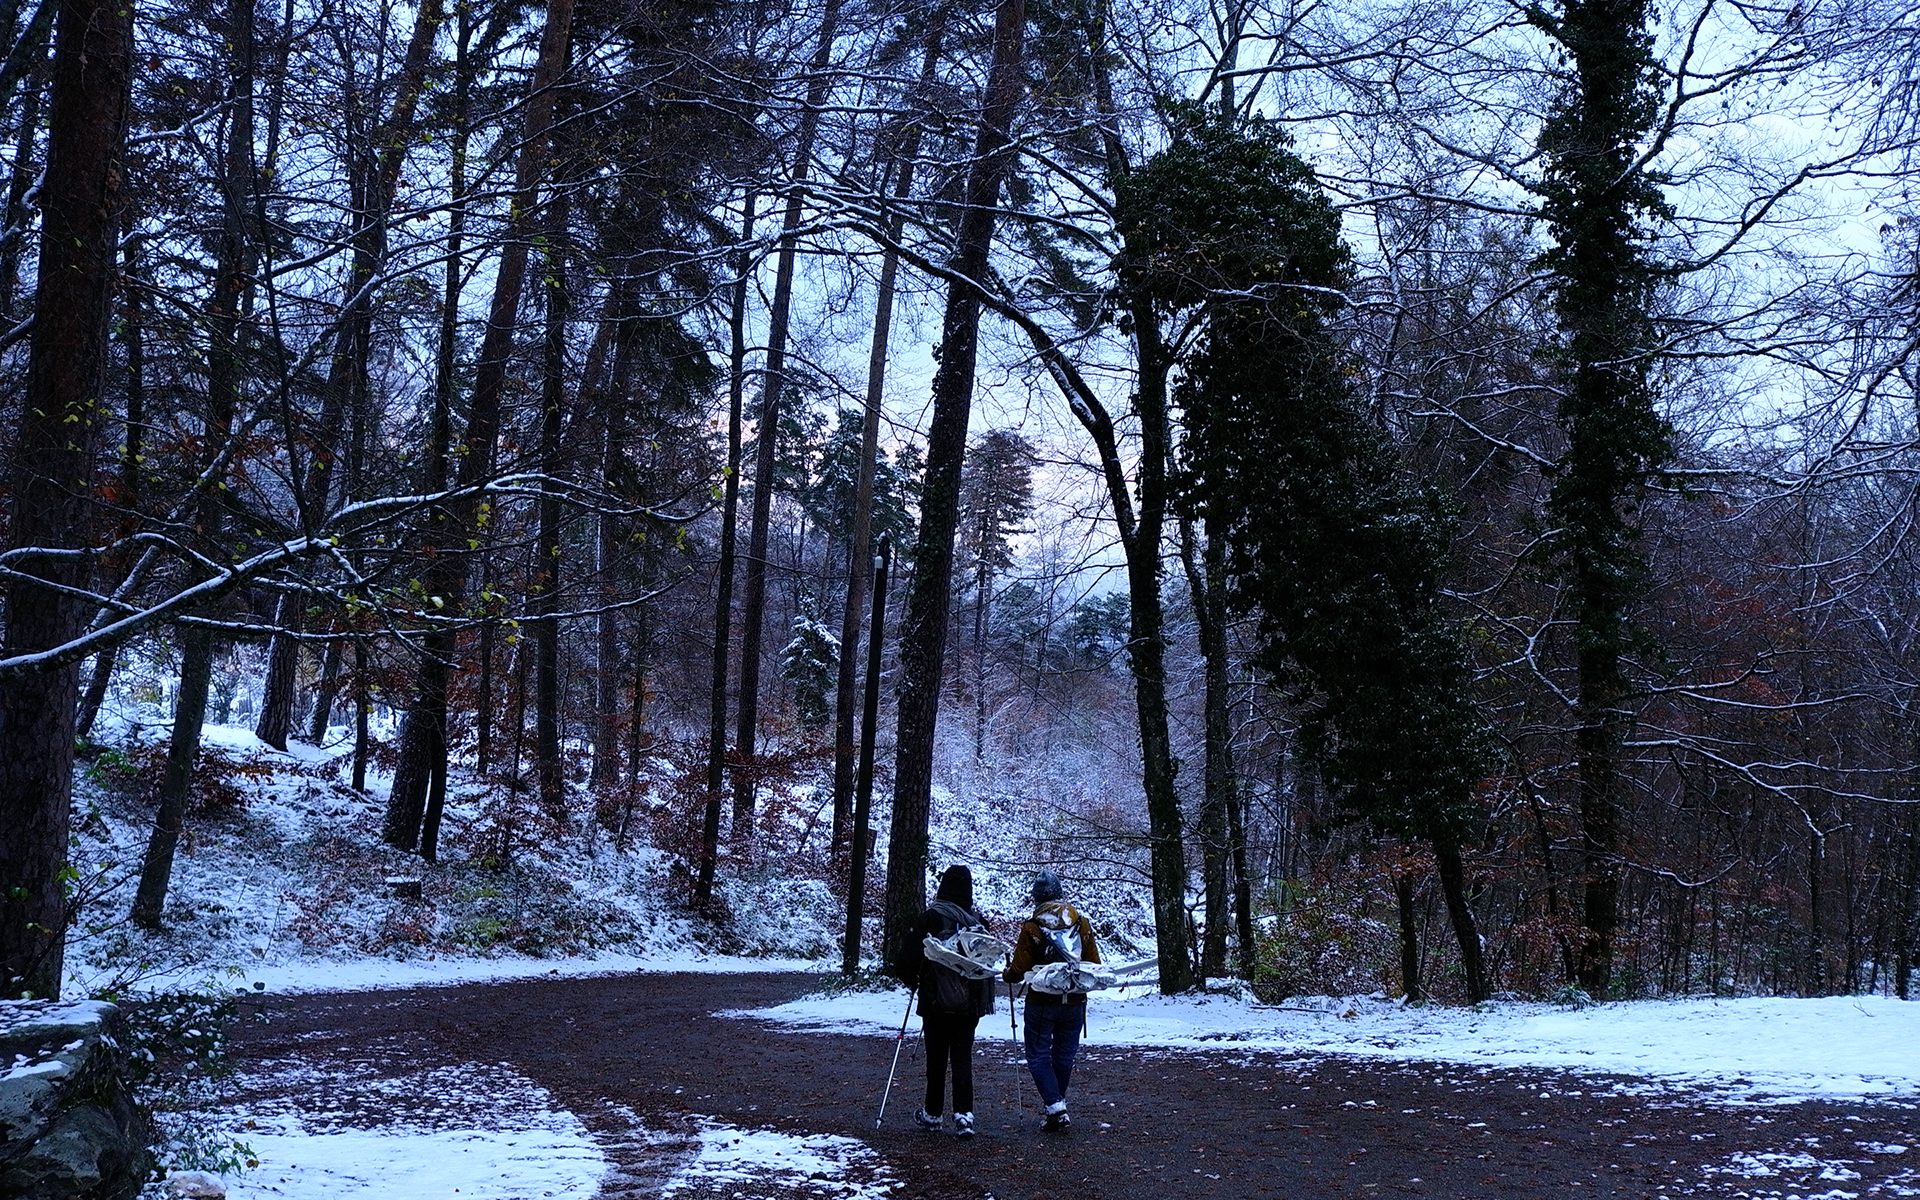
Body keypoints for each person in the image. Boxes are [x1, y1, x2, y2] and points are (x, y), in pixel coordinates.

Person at [897, 864, 994, 1137]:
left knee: (936, 1059)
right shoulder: (978, 924)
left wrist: (914, 980)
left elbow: (906, 960)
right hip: (968, 1006)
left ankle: (933, 1113)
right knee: (962, 1058)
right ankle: (964, 1115)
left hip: (934, 1002)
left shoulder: (930, 919)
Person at [1003, 870, 1101, 1132]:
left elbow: (1019, 969)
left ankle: (1055, 1105)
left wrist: (1007, 974)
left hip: (1042, 1002)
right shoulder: (1081, 923)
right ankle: (1056, 1106)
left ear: (1036, 898)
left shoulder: (1032, 927)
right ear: (1059, 895)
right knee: (1064, 1056)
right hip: (1075, 1001)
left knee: (1037, 1055)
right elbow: (1094, 964)